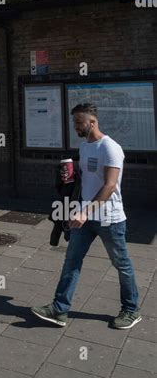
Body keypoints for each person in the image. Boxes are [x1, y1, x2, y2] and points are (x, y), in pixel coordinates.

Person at [32, 102, 141, 330]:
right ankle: (59, 309)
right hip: (84, 216)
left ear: (92, 122)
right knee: (71, 261)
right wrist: (68, 178)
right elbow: (86, 179)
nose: (75, 127)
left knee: (121, 264)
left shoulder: (110, 148)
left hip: (109, 219)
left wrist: (84, 212)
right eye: (74, 122)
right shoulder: (85, 147)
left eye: (79, 122)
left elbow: (110, 186)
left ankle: (131, 310)